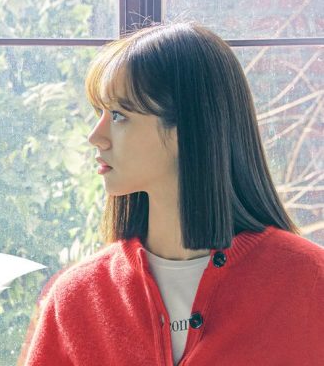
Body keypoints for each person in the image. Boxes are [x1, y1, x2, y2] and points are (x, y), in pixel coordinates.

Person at [22, 23, 323, 365]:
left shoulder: (312, 283)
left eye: (119, 115)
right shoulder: (75, 299)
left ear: (189, 128)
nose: (96, 136)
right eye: (99, 113)